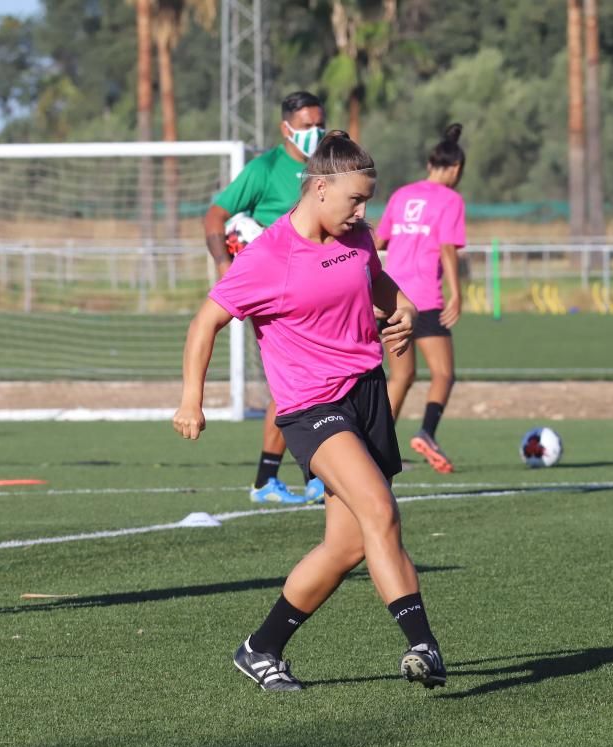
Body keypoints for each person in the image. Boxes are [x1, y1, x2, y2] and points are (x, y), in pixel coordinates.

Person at [174, 131, 445, 692]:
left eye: (368, 200)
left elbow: (380, 284)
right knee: (380, 509)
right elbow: (204, 323)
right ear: (320, 188)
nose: (363, 212)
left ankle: (261, 648)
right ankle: (423, 643)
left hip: (365, 393)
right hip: (311, 408)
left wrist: (405, 309)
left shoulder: (357, 238)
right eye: (355, 200)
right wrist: (191, 399)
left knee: (346, 546)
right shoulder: (267, 258)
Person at [203, 91, 327, 505]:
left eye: (319, 124)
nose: (316, 132)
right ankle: (275, 479)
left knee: (318, 381)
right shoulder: (266, 168)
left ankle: (308, 473)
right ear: (286, 127)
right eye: (308, 126)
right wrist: (225, 267)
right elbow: (216, 215)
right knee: (295, 384)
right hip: (277, 293)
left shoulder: (325, 166)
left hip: (321, 289)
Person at [374, 124, 467, 473]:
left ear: (430, 163)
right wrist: (456, 294)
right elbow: (446, 248)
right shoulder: (450, 200)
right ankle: (427, 432)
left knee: (400, 376)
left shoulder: (401, 195)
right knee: (443, 374)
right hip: (424, 297)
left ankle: (376, 447)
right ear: (456, 169)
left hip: (390, 296)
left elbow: (379, 243)